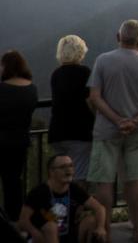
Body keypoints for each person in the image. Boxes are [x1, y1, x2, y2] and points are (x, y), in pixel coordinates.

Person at [86, 19, 138, 243]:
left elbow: (94, 97)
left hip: (107, 130)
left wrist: (117, 120)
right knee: (136, 180)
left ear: (118, 37)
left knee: (105, 181)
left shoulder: (103, 61)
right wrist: (135, 121)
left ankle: (105, 229)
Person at [18, 156, 107, 243]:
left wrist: (101, 227)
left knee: (92, 221)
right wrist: (34, 232)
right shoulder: (39, 192)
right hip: (43, 238)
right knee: (51, 227)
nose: (68, 170)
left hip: (68, 236)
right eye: (63, 167)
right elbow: (22, 221)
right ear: (52, 171)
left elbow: (99, 208)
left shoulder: (74, 189)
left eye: (71, 166)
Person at [47, 39, 94, 190]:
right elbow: (90, 100)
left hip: (57, 132)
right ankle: (76, 211)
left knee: (60, 176)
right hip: (80, 132)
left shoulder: (56, 74)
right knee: (79, 175)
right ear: (80, 51)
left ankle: (60, 209)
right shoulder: (85, 72)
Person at [1, 52, 35, 223]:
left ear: (6, 66)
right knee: (14, 182)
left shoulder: (2, 89)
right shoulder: (31, 89)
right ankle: (14, 219)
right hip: (20, 141)